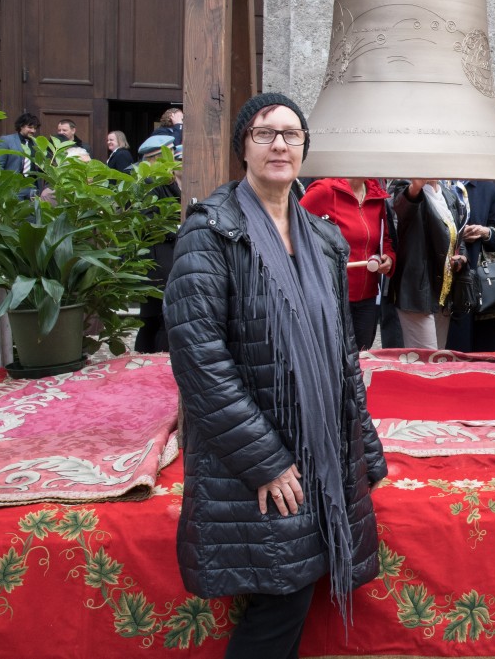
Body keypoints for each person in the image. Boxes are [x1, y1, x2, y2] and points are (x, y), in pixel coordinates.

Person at [164, 92, 386, 657]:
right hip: (256, 458)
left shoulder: (324, 239)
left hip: (321, 450)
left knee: (294, 586)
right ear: (244, 147)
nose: (279, 144)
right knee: (281, 593)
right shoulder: (210, 233)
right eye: (264, 133)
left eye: (291, 134)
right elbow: (200, 358)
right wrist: (264, 460)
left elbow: (342, 356)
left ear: (305, 148)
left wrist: (369, 454)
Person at [299, 177, 396, 351]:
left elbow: (385, 239)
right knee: (334, 359)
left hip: (368, 298)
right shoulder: (325, 190)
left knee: (361, 360)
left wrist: (388, 257)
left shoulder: (376, 195)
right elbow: (294, 228)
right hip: (332, 296)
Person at [390, 178, 468, 350]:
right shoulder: (405, 188)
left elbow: (458, 235)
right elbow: (402, 209)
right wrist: (416, 185)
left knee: (438, 357)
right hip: (417, 291)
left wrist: (462, 257)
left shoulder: (448, 195)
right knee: (426, 361)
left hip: (443, 289)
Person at [445, 179, 495, 352]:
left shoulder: (486, 186)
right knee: (453, 347)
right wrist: (455, 235)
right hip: (450, 278)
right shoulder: (442, 183)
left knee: (484, 350)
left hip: (483, 282)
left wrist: (485, 232)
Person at [133, 134, 181, 353]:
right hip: (157, 258)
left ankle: (146, 357)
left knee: (154, 318)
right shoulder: (149, 183)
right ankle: (154, 359)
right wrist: (179, 229)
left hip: (163, 256)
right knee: (158, 316)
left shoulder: (163, 181)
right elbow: (150, 222)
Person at [0, 113, 40, 198]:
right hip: (13, 188)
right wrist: (1, 188)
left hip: (33, 189)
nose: (33, 131)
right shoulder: (6, 140)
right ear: (21, 126)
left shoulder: (37, 144)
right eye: (30, 127)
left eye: (35, 128)